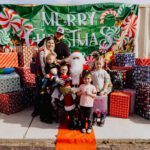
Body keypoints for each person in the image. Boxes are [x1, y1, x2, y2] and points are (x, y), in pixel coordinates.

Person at [32, 36, 56, 117]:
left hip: (49, 76)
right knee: (39, 93)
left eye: (52, 43)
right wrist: (45, 75)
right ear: (46, 43)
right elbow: (42, 65)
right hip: (42, 77)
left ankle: (43, 110)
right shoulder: (42, 51)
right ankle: (36, 110)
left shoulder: (51, 52)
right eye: (49, 42)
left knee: (45, 94)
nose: (51, 44)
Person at [92, 56, 112, 126]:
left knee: (102, 106)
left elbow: (107, 82)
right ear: (95, 64)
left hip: (102, 91)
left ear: (103, 64)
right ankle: (94, 118)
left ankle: (102, 118)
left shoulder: (104, 72)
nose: (99, 65)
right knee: (94, 105)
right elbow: (90, 82)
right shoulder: (92, 73)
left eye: (100, 64)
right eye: (97, 64)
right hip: (95, 91)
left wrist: (104, 90)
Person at [59, 62, 76, 129]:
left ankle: (72, 122)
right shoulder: (61, 77)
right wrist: (69, 78)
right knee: (69, 108)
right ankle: (71, 124)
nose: (64, 71)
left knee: (72, 106)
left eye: (65, 69)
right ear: (60, 70)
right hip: (66, 94)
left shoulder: (67, 76)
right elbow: (63, 83)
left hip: (69, 93)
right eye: (62, 69)